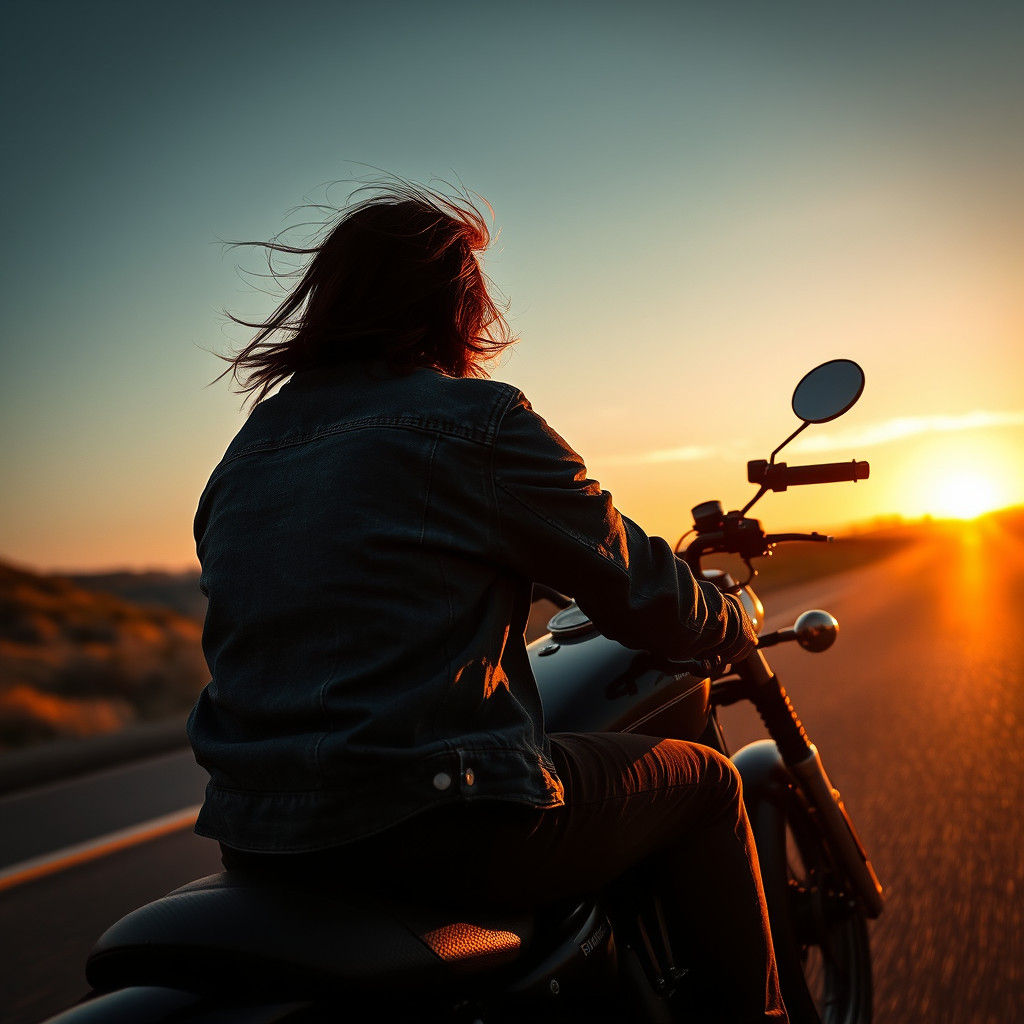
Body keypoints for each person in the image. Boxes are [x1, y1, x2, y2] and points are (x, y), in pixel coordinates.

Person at [187, 180, 788, 1022]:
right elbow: (641, 591)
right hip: (434, 822)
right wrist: (722, 622)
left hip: (260, 841)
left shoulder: (246, 453)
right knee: (707, 785)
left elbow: (359, 579)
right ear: (453, 310)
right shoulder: (477, 423)